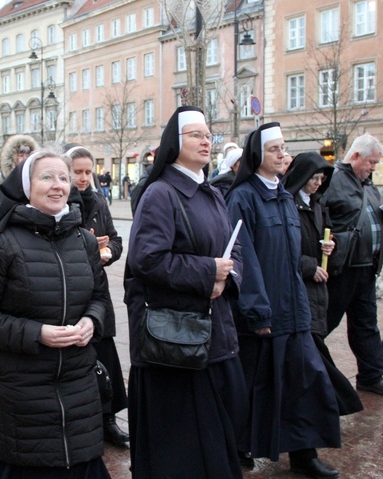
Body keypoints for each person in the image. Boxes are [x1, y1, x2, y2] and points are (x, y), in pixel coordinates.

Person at [0, 150, 110, 478]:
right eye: (47, 177)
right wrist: (38, 333)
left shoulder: (84, 241)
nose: (58, 186)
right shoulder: (1, 244)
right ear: (27, 186)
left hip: (78, 390)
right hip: (20, 397)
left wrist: (90, 322)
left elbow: (99, 299)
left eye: (64, 178)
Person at [125, 106, 247, 478]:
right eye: (195, 134)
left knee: (218, 434)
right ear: (173, 143)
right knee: (185, 449)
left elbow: (235, 247)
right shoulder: (160, 194)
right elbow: (148, 259)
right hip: (178, 340)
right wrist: (208, 271)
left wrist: (227, 276)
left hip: (214, 331)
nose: (206, 139)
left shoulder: (211, 193)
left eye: (208, 133)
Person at [226, 122, 341, 478]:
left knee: (304, 383)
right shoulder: (243, 197)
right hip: (262, 314)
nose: (282, 154)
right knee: (254, 386)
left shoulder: (286, 198)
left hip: (293, 311)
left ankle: (305, 455)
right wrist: (258, 311)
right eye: (274, 149)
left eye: (284, 147)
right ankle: (238, 446)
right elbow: (243, 259)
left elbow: (294, 257)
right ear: (257, 155)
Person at [321, 133, 383, 397]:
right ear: (355, 156)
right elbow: (320, 219)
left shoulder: (368, 185)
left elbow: (373, 220)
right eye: (371, 162)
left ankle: (371, 376)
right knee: (323, 324)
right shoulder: (332, 180)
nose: (373, 168)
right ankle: (304, 372)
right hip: (342, 268)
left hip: (367, 267)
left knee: (366, 325)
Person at [282, 152, 364, 417]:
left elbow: (327, 233)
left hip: (318, 288)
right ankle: (336, 401)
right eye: (314, 178)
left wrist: (331, 245)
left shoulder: (317, 204)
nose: (318, 183)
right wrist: (308, 266)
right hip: (301, 286)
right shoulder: (288, 203)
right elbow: (281, 249)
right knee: (314, 351)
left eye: (321, 179)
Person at [65, 144, 130, 448]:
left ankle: (108, 418)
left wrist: (108, 252)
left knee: (106, 352)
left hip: (97, 285)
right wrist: (89, 243)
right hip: (71, 289)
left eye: (87, 171)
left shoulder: (100, 202)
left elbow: (116, 239)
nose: (83, 177)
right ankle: (84, 420)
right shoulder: (62, 202)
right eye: (77, 172)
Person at [0, 134, 38, 207]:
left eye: (27, 155)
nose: (25, 159)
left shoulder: (35, 183)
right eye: (21, 155)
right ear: (11, 159)